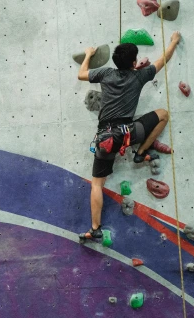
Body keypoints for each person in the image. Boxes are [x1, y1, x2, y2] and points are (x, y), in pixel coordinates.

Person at [77, 32, 181, 240]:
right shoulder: (139, 75)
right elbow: (164, 59)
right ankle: (141, 153)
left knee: (97, 184)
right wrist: (174, 42)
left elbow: (81, 75)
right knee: (163, 115)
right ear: (134, 62)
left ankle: (95, 228)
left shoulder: (106, 73)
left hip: (105, 137)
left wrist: (88, 54)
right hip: (128, 133)